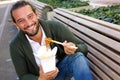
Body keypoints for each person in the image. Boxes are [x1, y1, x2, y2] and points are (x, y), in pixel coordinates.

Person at [10, 1, 93, 80]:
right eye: (21, 21)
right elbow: (23, 76)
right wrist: (41, 79)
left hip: (61, 73)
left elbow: (84, 48)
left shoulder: (55, 27)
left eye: (30, 16)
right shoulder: (15, 45)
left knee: (77, 57)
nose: (28, 23)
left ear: (36, 14)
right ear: (16, 24)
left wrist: (74, 48)